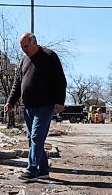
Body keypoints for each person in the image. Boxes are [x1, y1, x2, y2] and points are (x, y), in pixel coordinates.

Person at [4, 32, 67, 182]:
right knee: (33, 139)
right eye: (21, 47)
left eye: (26, 46)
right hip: (28, 107)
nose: (23, 49)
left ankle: (32, 170)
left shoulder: (49, 56)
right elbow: (17, 83)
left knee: (36, 137)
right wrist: (10, 101)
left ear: (34, 42)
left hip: (45, 106)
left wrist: (60, 101)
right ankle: (43, 170)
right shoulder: (24, 60)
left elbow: (60, 80)